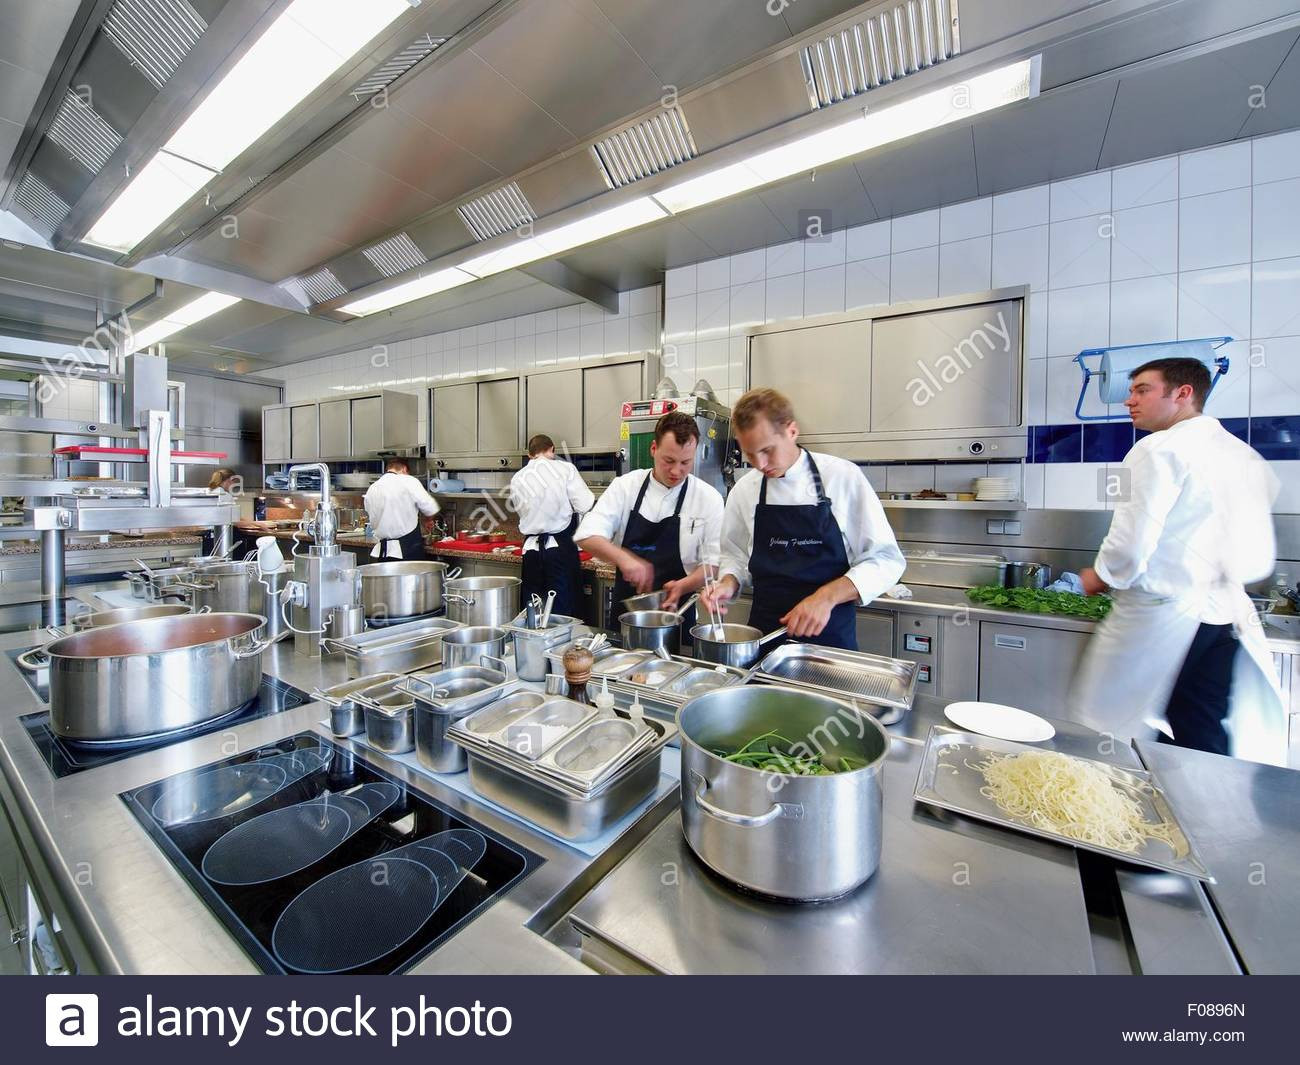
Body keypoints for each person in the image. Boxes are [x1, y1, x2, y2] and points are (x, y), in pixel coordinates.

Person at [1070, 357, 1284, 764]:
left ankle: (1119, 813)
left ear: (1183, 393)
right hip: (1222, 617)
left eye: (1142, 390)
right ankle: (1207, 819)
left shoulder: (1157, 449)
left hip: (1162, 615)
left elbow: (1131, 543)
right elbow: (1258, 557)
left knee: (1113, 728)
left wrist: (1100, 575)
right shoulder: (1243, 455)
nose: (1129, 401)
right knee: (1201, 726)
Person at [699, 388, 904, 650]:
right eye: (750, 454)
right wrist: (728, 582)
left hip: (829, 641)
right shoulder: (745, 490)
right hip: (765, 637)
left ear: (792, 431)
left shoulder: (842, 478)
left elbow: (886, 560)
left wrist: (826, 597)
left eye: (768, 450)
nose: (760, 464)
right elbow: (735, 555)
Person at [576, 411, 723, 613]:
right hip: (627, 611)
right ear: (653, 449)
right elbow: (586, 535)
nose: (676, 471)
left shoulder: (708, 498)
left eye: (685, 462)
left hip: (677, 611)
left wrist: (684, 585)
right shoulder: (625, 487)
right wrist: (624, 559)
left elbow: (713, 564)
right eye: (669, 460)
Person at [509, 434, 595, 617]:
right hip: (559, 551)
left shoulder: (518, 478)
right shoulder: (565, 469)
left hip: (530, 551)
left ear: (530, 454)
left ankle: (534, 643)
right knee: (562, 609)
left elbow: (520, 509)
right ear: (552, 450)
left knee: (533, 608)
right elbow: (586, 504)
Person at [363, 458, 439, 561]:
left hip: (383, 552)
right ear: (404, 469)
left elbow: (370, 513)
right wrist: (428, 520)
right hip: (407, 550)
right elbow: (430, 508)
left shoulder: (373, 488)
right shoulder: (408, 480)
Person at [202, 467, 273, 556]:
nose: (233, 484)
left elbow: (235, 516)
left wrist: (252, 522)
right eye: (233, 482)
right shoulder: (224, 495)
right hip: (221, 537)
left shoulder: (209, 491)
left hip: (208, 536)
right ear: (228, 480)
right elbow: (234, 521)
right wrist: (259, 524)